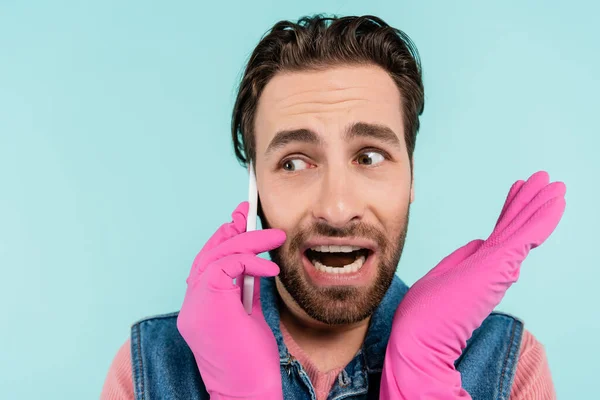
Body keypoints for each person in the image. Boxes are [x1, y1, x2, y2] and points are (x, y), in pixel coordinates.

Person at [101, 14, 564, 399]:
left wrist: (419, 376)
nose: (338, 209)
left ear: (411, 175)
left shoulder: (510, 364)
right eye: (295, 162)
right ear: (255, 188)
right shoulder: (150, 370)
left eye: (370, 156)